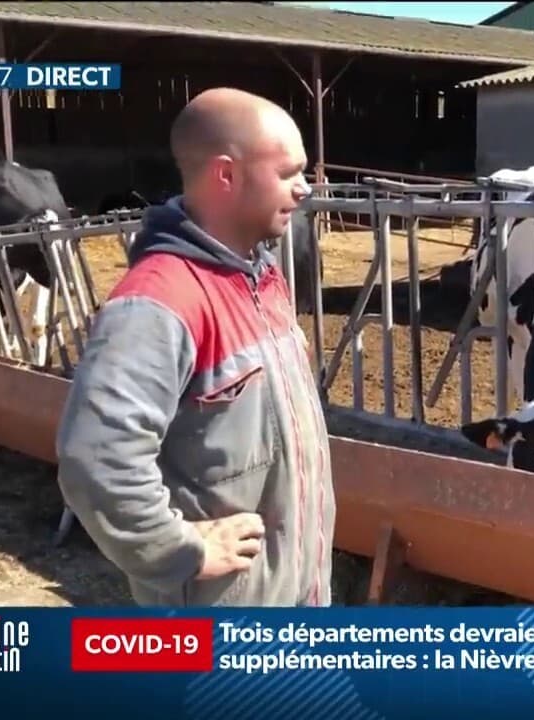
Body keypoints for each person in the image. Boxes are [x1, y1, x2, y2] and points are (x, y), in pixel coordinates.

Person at [55, 87, 334, 607]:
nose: (304, 189)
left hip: (290, 599)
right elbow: (96, 459)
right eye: (288, 172)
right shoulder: (159, 302)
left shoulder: (260, 276)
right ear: (226, 175)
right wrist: (178, 551)